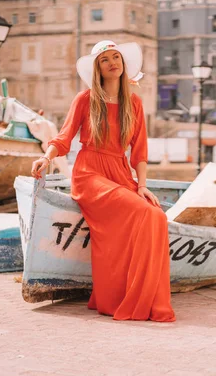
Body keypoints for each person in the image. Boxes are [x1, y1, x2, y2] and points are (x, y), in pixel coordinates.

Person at [30, 40, 175, 322]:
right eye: (105, 59)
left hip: (121, 173)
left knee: (156, 217)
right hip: (89, 172)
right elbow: (63, 137)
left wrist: (142, 185)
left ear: (123, 64)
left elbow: (141, 151)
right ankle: (125, 298)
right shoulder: (84, 99)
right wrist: (46, 159)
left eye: (116, 57)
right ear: (98, 68)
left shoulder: (133, 102)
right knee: (144, 213)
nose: (112, 62)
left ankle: (129, 297)